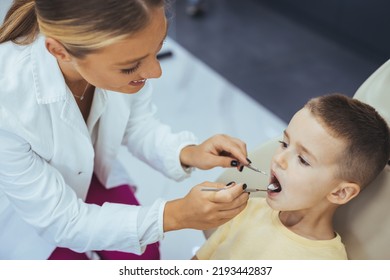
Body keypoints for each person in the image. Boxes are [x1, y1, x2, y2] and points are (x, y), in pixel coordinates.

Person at [0, 0, 252, 260]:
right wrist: (176, 215)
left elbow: (136, 123)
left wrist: (188, 152)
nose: (155, 71)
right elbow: (64, 221)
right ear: (60, 51)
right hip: (24, 213)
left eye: (158, 48)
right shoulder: (6, 104)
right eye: (130, 66)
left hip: (87, 173)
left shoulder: (124, 52)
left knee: (143, 255)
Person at [193, 93, 390, 260]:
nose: (279, 159)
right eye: (285, 143)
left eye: (303, 160)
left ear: (340, 192)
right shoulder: (248, 209)